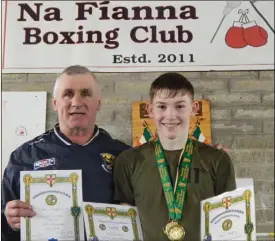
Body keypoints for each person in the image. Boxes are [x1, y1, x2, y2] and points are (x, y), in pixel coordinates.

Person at [1, 65, 131, 240]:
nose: (76, 102)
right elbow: (4, 221)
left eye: (85, 94)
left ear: (98, 103)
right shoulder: (25, 156)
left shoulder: (125, 156)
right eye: (68, 94)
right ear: (55, 103)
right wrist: (9, 218)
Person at [113, 72, 236, 241]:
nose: (170, 116)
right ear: (150, 110)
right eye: (162, 106)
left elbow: (228, 222)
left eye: (179, 106)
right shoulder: (127, 161)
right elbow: (124, 226)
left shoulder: (218, 160)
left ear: (193, 109)